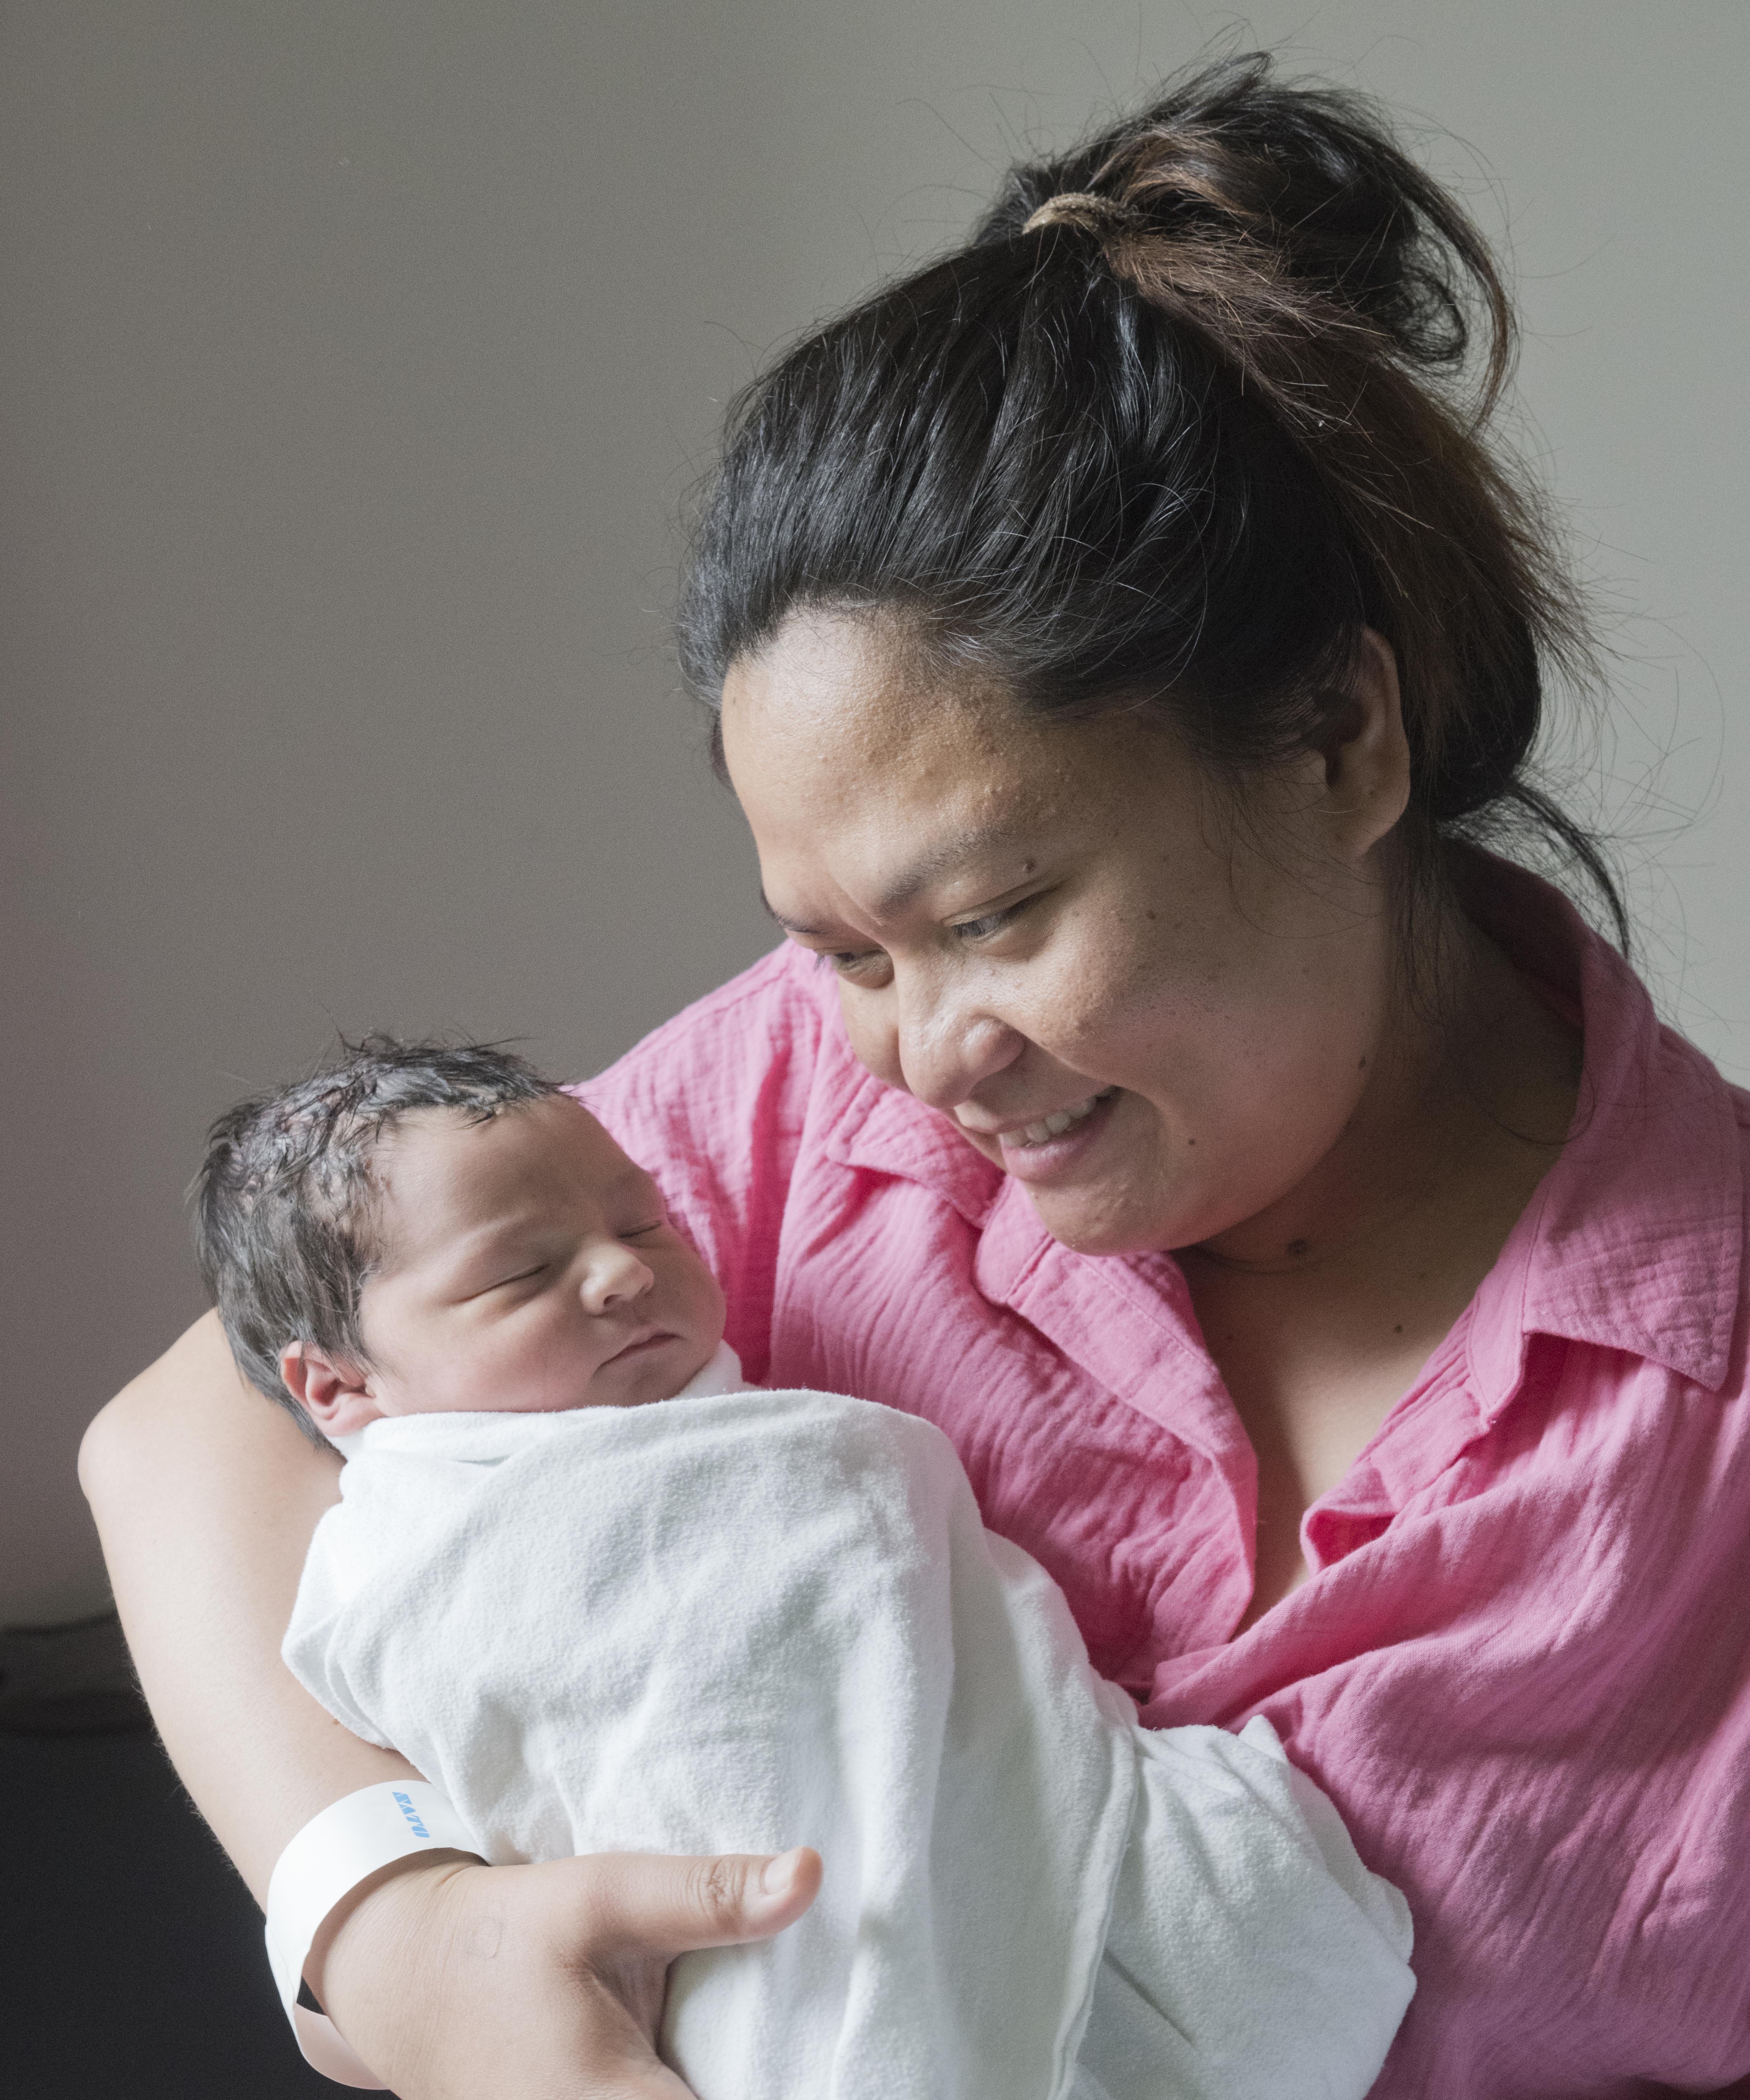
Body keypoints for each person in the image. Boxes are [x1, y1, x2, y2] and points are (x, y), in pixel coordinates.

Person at [80, 54, 1750, 2100]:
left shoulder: (1707, 1406)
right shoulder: (798, 1106)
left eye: (999, 912)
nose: (930, 1053)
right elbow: (193, 1434)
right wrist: (389, 1926)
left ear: (1335, 735)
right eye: (844, 946)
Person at [193, 1035, 1414, 2099]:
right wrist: (393, 1945)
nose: (622, 1271)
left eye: (642, 1223)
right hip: (748, 1923)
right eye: (523, 1274)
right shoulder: (408, 1555)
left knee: (1234, 1922)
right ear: (339, 1385)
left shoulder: (751, 1433)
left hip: (1039, 1834)